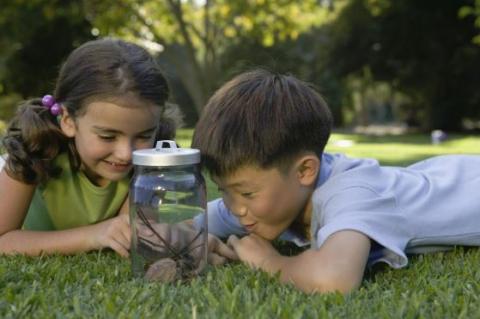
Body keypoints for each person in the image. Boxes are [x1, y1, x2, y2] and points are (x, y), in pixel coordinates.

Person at [191, 69, 480, 294]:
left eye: (247, 193)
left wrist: (269, 262)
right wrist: (193, 242)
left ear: (305, 171)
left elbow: (334, 281)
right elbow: (185, 223)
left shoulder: (351, 192)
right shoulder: (263, 200)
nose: (235, 208)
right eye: (225, 191)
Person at [0, 38, 176, 258]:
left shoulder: (153, 159)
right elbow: (3, 239)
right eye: (107, 136)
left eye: (144, 135)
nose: (126, 153)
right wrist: (94, 235)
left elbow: (132, 233)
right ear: (68, 120)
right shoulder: (31, 149)